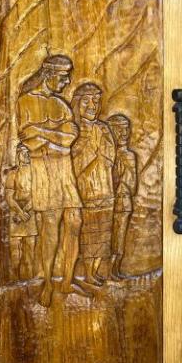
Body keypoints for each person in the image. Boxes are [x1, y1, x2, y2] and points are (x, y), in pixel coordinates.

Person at [17, 54, 86, 307]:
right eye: (63, 76)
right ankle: (47, 282)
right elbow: (27, 138)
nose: (67, 81)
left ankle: (67, 280)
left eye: (68, 76)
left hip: (64, 171)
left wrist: (43, 133)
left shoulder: (62, 105)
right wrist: (52, 136)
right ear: (48, 74)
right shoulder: (26, 101)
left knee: (75, 222)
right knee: (50, 228)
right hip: (43, 171)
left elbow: (69, 138)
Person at [72, 83, 115, 286]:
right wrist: (92, 147)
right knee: (89, 234)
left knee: (104, 233)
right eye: (86, 101)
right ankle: (87, 273)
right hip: (86, 191)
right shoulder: (74, 129)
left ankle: (97, 270)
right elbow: (74, 162)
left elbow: (110, 158)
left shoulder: (103, 128)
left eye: (96, 101)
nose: (92, 105)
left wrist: (102, 147)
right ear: (77, 103)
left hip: (105, 187)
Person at [107, 114, 138, 280]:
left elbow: (133, 186)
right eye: (119, 129)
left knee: (119, 236)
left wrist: (123, 176)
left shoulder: (129, 156)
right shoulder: (106, 155)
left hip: (123, 203)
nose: (124, 133)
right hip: (107, 202)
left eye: (126, 128)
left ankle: (115, 269)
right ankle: (104, 270)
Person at [4, 144, 37, 281]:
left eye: (28, 153)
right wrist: (20, 212)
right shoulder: (12, 174)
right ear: (18, 155)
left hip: (30, 212)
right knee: (15, 248)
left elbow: (37, 194)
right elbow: (9, 197)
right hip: (15, 214)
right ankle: (14, 277)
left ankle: (29, 278)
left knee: (30, 247)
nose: (27, 156)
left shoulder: (35, 173)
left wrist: (27, 210)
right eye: (24, 153)